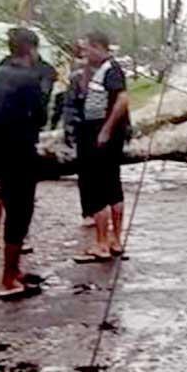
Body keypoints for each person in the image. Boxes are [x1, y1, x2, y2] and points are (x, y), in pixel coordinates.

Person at [0, 28, 48, 300]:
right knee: (20, 213)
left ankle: (14, 271)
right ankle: (9, 278)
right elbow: (41, 117)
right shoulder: (31, 79)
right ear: (30, 49)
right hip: (20, 150)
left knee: (12, 209)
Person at [73, 30, 130, 263]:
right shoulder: (103, 70)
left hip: (100, 135)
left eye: (87, 49)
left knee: (99, 189)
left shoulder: (110, 69)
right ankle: (115, 240)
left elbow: (122, 99)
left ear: (98, 47)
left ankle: (102, 243)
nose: (85, 54)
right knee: (112, 185)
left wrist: (105, 130)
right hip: (102, 134)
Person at [62, 39, 95, 227]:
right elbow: (70, 104)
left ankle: (99, 209)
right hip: (83, 128)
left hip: (102, 128)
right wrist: (69, 127)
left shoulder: (107, 72)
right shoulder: (76, 75)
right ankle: (89, 210)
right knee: (86, 173)